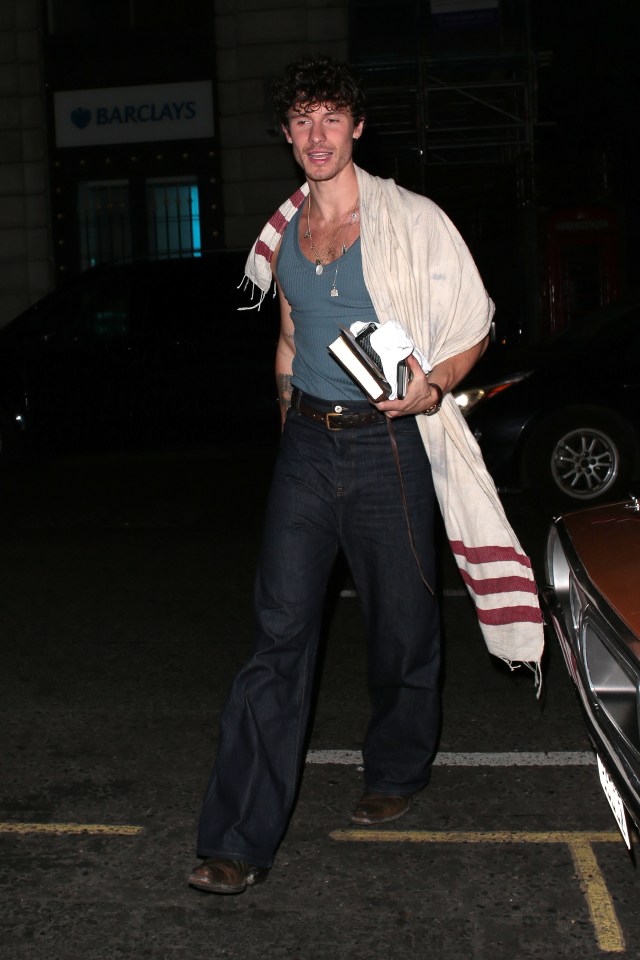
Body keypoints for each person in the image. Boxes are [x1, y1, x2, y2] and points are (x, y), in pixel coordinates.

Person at [188, 54, 543, 896]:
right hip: (309, 448)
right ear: (287, 135)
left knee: (402, 621)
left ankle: (397, 766)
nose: (316, 136)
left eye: (330, 118)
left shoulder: (411, 219)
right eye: (300, 121)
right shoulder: (284, 233)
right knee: (277, 636)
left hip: (390, 449)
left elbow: (476, 321)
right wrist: (289, 420)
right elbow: (286, 334)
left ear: (356, 126)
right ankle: (236, 839)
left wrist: (435, 384)